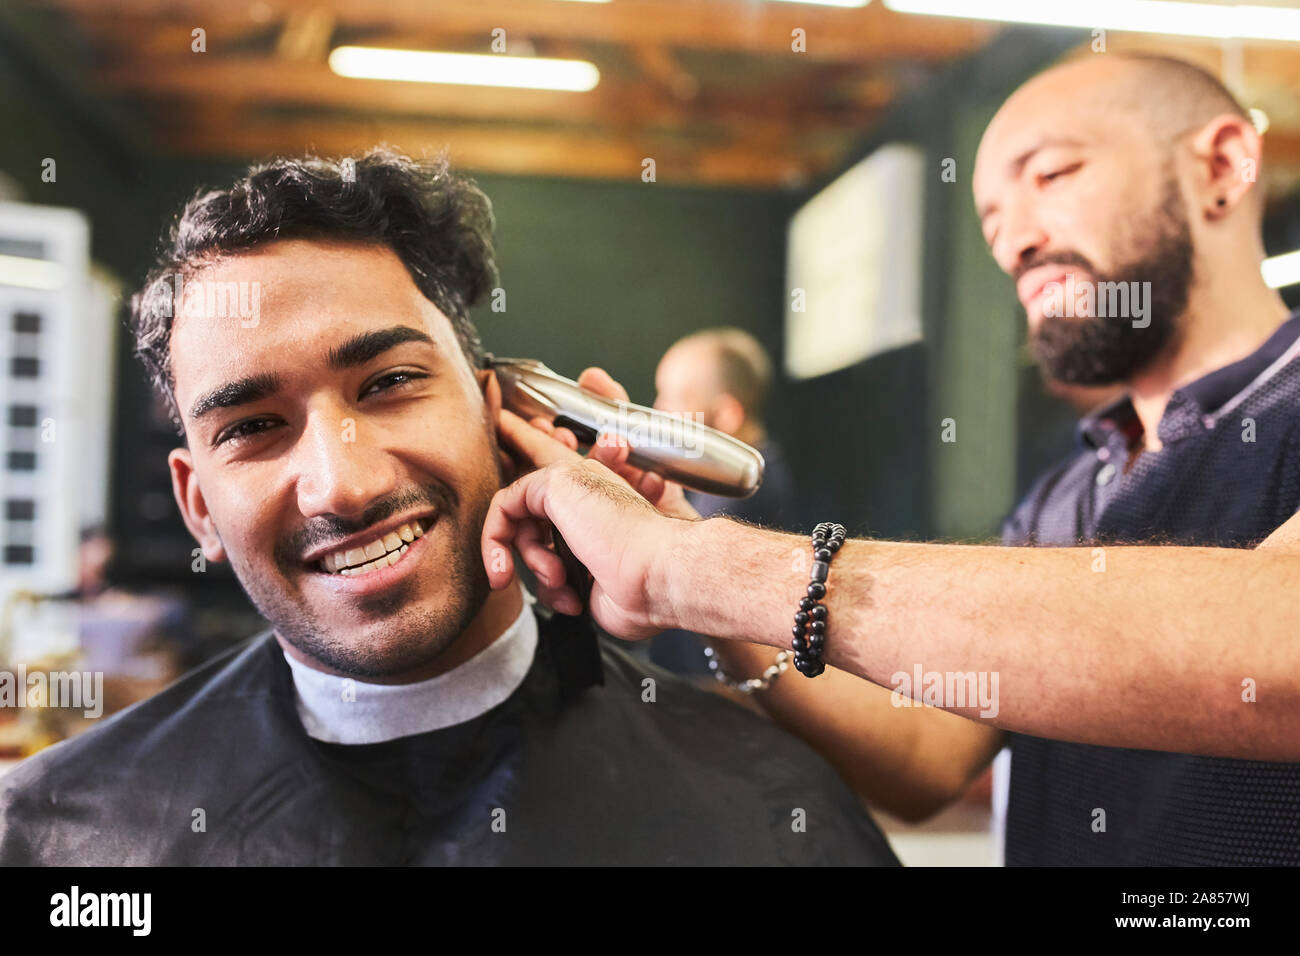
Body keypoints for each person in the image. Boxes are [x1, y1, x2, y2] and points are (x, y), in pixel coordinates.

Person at [483, 52, 1300, 866]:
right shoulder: (1072, 487)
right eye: (990, 220)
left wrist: (685, 565)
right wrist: (682, 560)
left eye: (1052, 175)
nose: (1015, 242)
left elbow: (1281, 645)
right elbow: (927, 751)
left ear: (1223, 165)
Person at [0, 150, 898, 866]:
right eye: (254, 426)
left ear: (499, 413)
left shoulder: (769, 813)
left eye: (390, 382)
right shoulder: (66, 838)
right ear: (198, 506)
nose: (342, 485)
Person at [648, 328, 797, 675]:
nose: (657, 411)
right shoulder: (724, 480)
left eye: (674, 401)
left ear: (727, 415)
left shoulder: (742, 493)